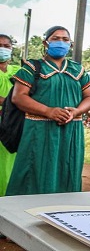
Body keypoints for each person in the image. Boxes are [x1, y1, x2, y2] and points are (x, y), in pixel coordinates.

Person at [6, 26, 90, 195]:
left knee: (67, 170)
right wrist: (48, 111)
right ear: (45, 42)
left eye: (65, 39)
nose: (60, 42)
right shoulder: (32, 67)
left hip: (71, 131)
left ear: (71, 44)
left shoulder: (78, 70)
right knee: (35, 172)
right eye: (55, 38)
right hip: (39, 130)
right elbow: (18, 97)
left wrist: (76, 111)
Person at [0, 34, 20, 197]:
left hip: (13, 125)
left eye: (7, 46)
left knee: (11, 164)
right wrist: (16, 101)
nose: (3, 49)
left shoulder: (17, 71)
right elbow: (20, 96)